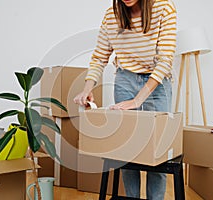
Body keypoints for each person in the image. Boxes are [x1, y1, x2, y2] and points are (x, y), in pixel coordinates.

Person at [74, 0, 176, 199]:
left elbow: (165, 60)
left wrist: (138, 100)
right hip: (125, 79)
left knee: (157, 150)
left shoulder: (164, 8)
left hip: (156, 81)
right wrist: (87, 88)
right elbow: (99, 57)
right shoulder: (111, 15)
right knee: (127, 150)